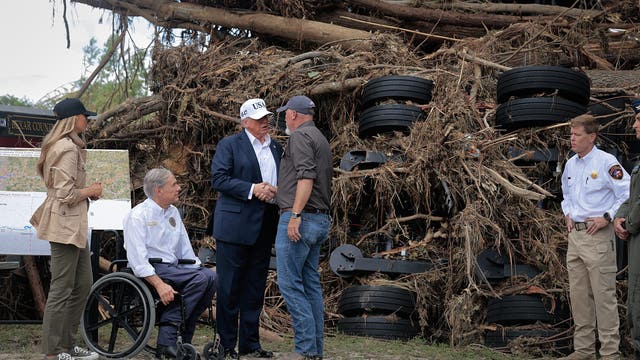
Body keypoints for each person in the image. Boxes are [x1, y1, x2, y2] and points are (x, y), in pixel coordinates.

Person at [29, 98, 102, 360]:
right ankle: (53, 352)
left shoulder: (71, 146)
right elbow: (65, 194)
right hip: (64, 225)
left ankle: (67, 346)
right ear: (74, 119)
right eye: (85, 116)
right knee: (61, 288)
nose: (88, 120)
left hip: (74, 226)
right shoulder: (67, 149)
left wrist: (85, 194)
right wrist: (90, 191)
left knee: (83, 284)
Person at [210, 98, 283, 359]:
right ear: (245, 122)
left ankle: (250, 345)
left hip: (264, 226)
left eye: (267, 117)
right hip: (233, 228)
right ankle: (226, 346)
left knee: (254, 288)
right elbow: (218, 178)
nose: (266, 122)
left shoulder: (275, 147)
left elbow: (279, 179)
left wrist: (275, 192)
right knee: (229, 289)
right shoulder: (230, 145)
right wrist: (253, 189)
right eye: (259, 118)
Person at [123, 167, 217, 358]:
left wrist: (198, 267)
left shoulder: (173, 212)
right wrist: (159, 284)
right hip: (152, 269)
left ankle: (185, 338)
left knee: (211, 278)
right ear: (159, 190)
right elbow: (137, 260)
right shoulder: (138, 215)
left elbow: (185, 249)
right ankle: (166, 340)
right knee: (199, 279)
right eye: (174, 184)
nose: (179, 188)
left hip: (174, 268)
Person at [560, 114, 629, 360]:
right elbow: (565, 194)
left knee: (603, 297)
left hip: (597, 236)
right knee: (579, 297)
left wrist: (607, 217)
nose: (572, 139)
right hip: (575, 237)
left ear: (592, 136)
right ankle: (584, 351)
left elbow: (627, 192)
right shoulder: (571, 164)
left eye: (577, 135)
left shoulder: (606, 162)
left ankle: (611, 353)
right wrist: (567, 212)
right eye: (571, 134)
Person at [274, 95, 332, 360]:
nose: (285, 118)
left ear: (294, 115)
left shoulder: (298, 137)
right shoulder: (319, 137)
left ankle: (306, 351)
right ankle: (315, 352)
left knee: (290, 284)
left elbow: (306, 178)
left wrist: (295, 214)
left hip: (301, 219)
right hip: (319, 220)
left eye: (286, 113)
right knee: (310, 286)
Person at [614, 99, 640, 360]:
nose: (634, 125)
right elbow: (631, 197)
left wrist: (629, 224)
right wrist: (620, 217)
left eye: (639, 120)